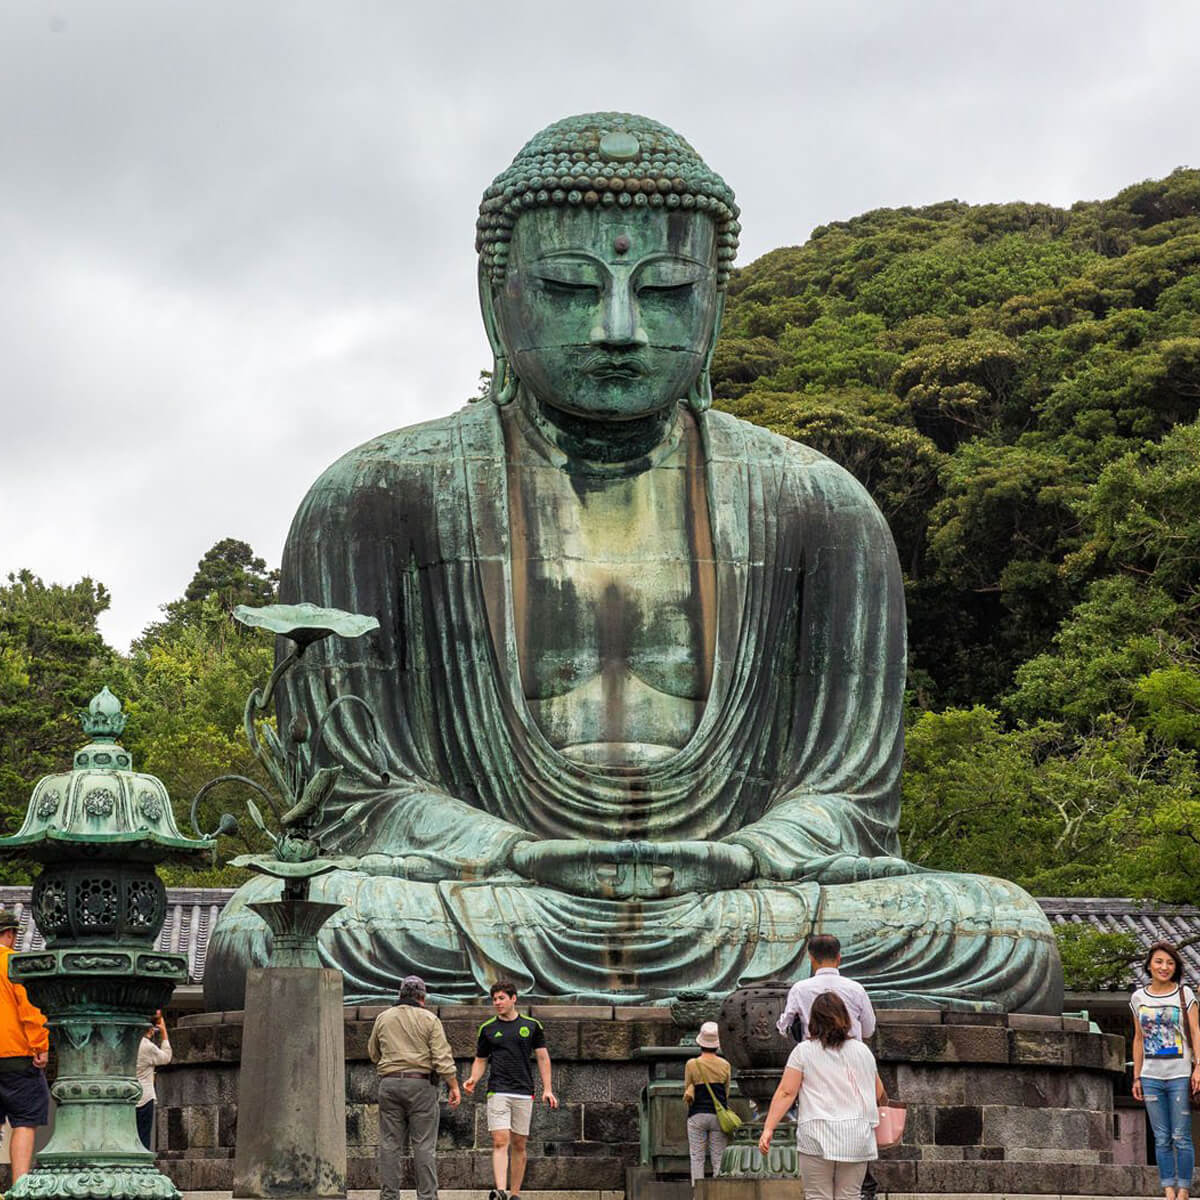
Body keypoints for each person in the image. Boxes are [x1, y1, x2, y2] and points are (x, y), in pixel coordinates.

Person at [205, 111, 1062, 1015]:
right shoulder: (375, 495)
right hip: (491, 890)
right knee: (267, 929)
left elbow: (847, 798)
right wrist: (512, 852)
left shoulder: (822, 506)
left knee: (998, 930)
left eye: (663, 291)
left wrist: (748, 854)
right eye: (572, 287)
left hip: (741, 891)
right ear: (498, 298)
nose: (618, 328)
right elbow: (357, 794)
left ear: (715, 304)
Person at [759, 992, 884, 1200]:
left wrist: (768, 1128)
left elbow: (786, 1092)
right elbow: (878, 1092)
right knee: (850, 1195)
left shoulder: (803, 1052)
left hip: (816, 1135)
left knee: (817, 1196)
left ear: (813, 1020)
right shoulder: (863, 1051)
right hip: (856, 1135)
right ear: (846, 1018)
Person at [367, 974, 461, 1200]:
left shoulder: (383, 1018)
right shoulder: (429, 1019)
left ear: (400, 994)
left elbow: (373, 1052)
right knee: (423, 1146)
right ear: (423, 997)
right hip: (420, 1084)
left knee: (390, 1145)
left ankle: (389, 1196)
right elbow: (442, 1058)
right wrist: (454, 1085)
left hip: (389, 1084)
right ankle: (427, 1197)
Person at [464, 981, 557, 1200]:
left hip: (524, 1092)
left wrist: (548, 1089)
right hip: (498, 1091)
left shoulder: (532, 1026)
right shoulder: (487, 1028)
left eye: (501, 998)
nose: (497, 1003)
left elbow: (543, 1058)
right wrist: (473, 1079)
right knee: (500, 1140)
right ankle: (500, 1191)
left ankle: (514, 1194)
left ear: (513, 998)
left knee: (519, 1144)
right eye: (494, 999)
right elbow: (480, 1059)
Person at [1131, 941, 1200, 1200]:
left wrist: (1198, 1068)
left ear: (1176, 967)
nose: (1164, 967)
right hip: (1150, 1076)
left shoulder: (1184, 995)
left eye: (1170, 963)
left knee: (1181, 1135)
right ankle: (1168, 1189)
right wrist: (1136, 1076)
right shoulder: (1138, 997)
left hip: (1180, 1074)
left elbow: (1195, 1032)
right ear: (1149, 964)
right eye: (1159, 962)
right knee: (1161, 1137)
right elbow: (1138, 1038)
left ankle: (1184, 1189)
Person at [0, 909, 49, 1183]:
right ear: (9, 934)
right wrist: (40, 1045)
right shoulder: (13, 964)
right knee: (24, 1120)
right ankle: (19, 1183)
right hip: (15, 1056)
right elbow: (29, 1011)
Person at [776, 934, 876, 1043]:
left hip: (812, 1055)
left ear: (811, 958)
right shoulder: (856, 989)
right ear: (838, 958)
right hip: (850, 1056)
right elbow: (868, 1031)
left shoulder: (799, 989)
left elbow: (784, 1027)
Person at [683, 1021, 732, 1188]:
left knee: (697, 1156)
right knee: (718, 1156)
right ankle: (718, 1192)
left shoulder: (692, 1064)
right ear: (717, 1044)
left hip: (697, 1115)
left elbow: (688, 1086)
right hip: (718, 1116)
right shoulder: (725, 1065)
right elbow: (726, 1092)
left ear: (700, 1042)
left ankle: (698, 1192)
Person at [135, 1010, 172, 1150]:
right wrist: (164, 1033)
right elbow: (166, 1058)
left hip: (128, 1096)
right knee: (143, 1137)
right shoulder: (147, 1046)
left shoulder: (130, 1043)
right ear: (150, 1029)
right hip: (144, 1096)